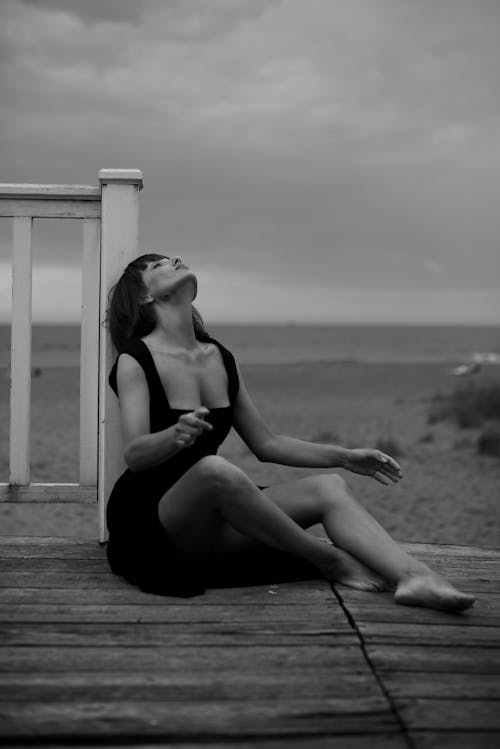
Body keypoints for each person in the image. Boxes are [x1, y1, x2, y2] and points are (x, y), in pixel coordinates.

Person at [105, 253, 475, 612]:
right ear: (146, 296)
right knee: (216, 470)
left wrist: (345, 457)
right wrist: (173, 436)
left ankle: (416, 578)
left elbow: (267, 444)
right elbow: (135, 455)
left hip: (215, 514)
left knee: (329, 488)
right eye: (159, 265)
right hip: (155, 522)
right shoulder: (135, 360)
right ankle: (328, 560)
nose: (175, 260)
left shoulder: (218, 356)